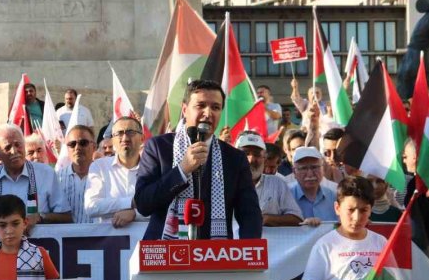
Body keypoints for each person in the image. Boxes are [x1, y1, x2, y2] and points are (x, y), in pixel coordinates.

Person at [135, 80, 262, 240]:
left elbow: (249, 214)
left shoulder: (234, 157)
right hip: (165, 251)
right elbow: (143, 204)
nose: (208, 113)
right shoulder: (159, 147)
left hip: (216, 253)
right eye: (200, 105)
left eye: (215, 107)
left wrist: (249, 253)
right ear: (185, 109)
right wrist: (182, 170)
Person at [0, 125, 62, 226]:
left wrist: (40, 217)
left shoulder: (46, 174)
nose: (14, 151)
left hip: (40, 241)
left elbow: (66, 216)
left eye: (18, 144)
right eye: (7, 147)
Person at [84, 116, 144, 227]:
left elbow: (162, 208)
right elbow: (91, 206)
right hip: (108, 242)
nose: (125, 138)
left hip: (144, 241)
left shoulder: (153, 168)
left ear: (142, 138)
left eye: (130, 132)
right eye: (119, 133)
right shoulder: (99, 167)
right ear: (112, 140)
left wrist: (135, 214)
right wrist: (130, 202)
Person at [235, 131, 302, 227]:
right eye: (245, 153)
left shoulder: (277, 184)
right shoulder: (222, 184)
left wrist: (268, 219)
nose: (251, 160)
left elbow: (297, 218)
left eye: (257, 154)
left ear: (264, 158)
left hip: (270, 242)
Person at [54, 125, 96, 223]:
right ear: (67, 148)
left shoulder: (106, 176)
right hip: (65, 237)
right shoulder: (55, 178)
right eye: (72, 144)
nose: (77, 148)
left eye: (83, 143)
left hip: (100, 237)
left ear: (94, 147)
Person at [289, 147, 338, 225]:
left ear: (323, 169)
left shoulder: (334, 196)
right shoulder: (286, 197)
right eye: (303, 168)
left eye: (314, 167)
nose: (310, 174)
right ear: (294, 172)